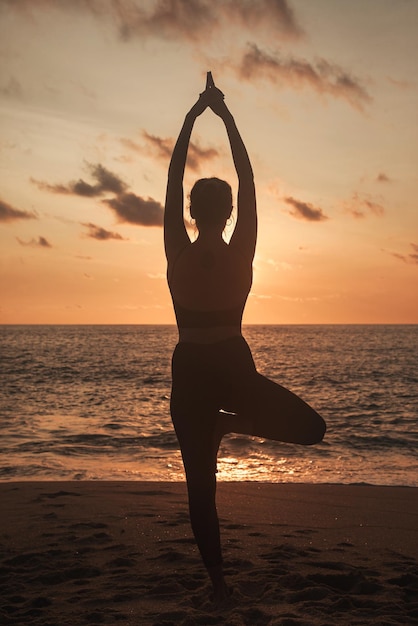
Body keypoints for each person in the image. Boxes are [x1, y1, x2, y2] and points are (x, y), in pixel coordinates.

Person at [164, 73, 326, 605]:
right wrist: (225, 116)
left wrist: (191, 118)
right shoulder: (243, 251)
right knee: (311, 429)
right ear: (230, 213)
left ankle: (218, 586)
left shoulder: (176, 253)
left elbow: (170, 181)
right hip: (233, 368)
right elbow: (249, 177)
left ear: (191, 212)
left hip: (191, 371)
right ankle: (226, 424)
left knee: (200, 491)